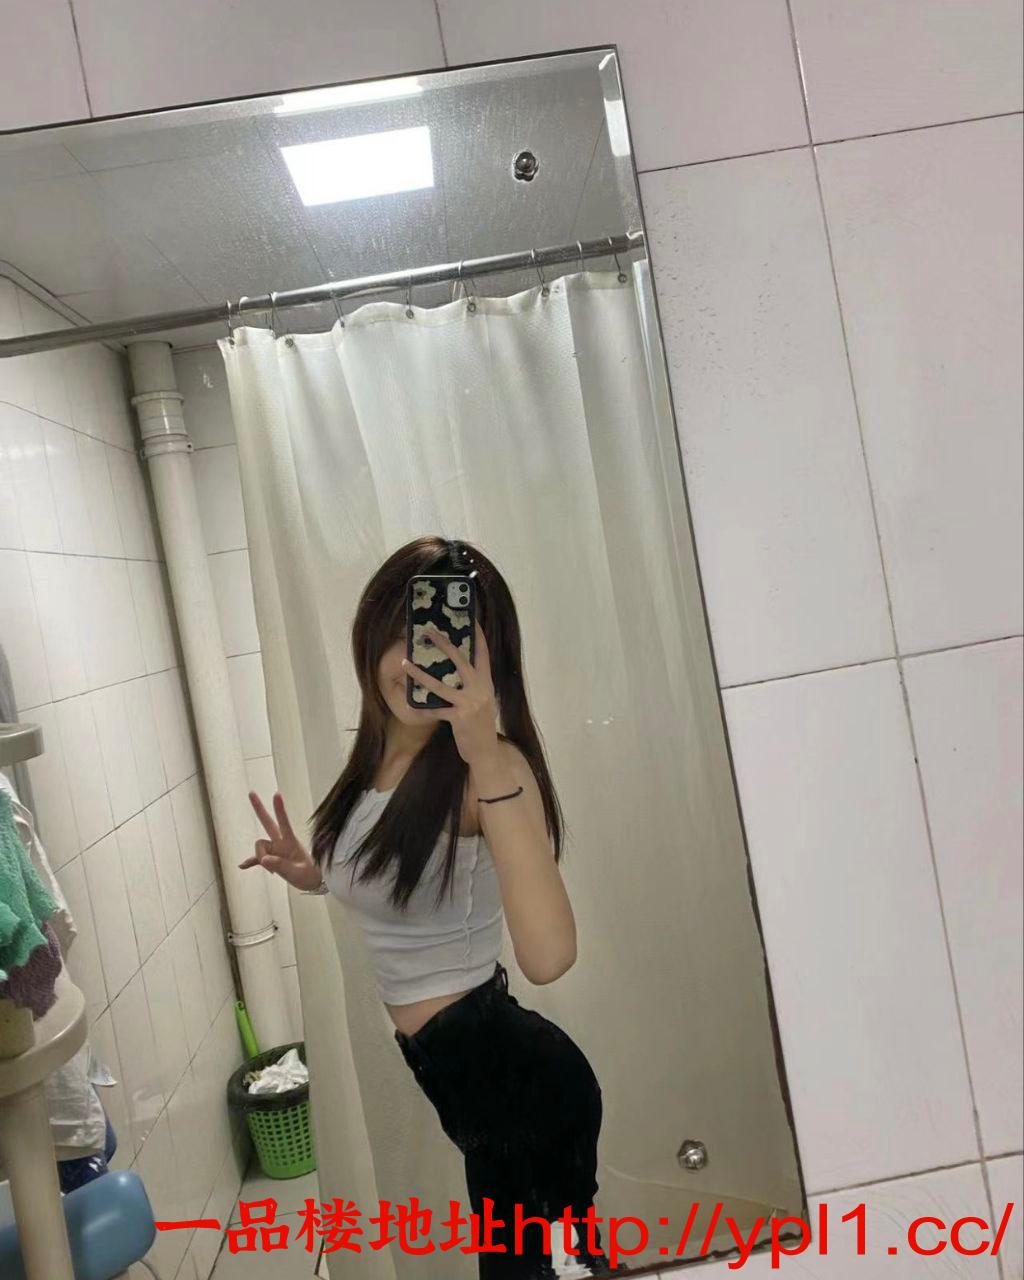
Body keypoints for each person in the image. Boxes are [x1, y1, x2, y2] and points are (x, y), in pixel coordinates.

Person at [241, 535, 619, 1279]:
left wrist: (483, 750)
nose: (416, 661)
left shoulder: (489, 770)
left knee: (534, 1269)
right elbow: (394, 888)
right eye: (410, 634)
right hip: (463, 1081)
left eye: (452, 642)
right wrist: (313, 873)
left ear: (489, 661)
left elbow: (549, 957)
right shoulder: (376, 764)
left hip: (521, 1086)